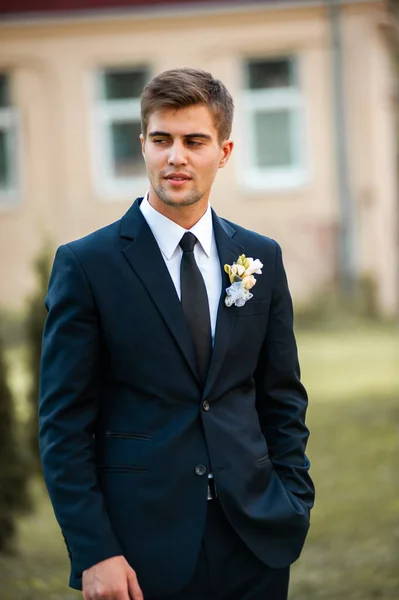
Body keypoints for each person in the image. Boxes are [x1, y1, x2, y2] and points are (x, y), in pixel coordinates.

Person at [39, 67, 315, 600]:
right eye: (161, 139)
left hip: (254, 536)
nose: (176, 157)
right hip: (141, 549)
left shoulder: (261, 257)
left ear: (225, 151)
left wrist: (292, 500)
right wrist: (95, 550)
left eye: (194, 141)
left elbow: (282, 397)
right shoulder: (87, 265)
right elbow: (63, 425)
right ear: (142, 145)